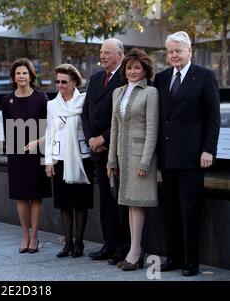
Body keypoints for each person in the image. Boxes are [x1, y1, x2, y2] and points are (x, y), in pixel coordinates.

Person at [154, 31, 220, 276]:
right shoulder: (160, 79)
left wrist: (208, 150)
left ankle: (191, 262)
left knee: (190, 210)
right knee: (169, 209)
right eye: (170, 51)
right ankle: (173, 257)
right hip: (168, 155)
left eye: (178, 51)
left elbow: (213, 118)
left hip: (193, 156)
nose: (174, 55)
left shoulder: (204, 76)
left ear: (189, 51)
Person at [107, 48, 159, 271]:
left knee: (137, 204)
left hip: (139, 158)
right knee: (129, 203)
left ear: (145, 70)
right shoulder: (117, 92)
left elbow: (152, 129)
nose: (133, 71)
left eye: (137, 67)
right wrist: (111, 160)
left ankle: (135, 251)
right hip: (122, 156)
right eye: (129, 67)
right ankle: (134, 249)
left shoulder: (151, 93)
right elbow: (114, 127)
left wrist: (146, 161)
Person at [81, 38, 130, 264]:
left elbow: (125, 114)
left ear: (120, 55)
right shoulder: (96, 78)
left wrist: (104, 137)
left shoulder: (127, 76)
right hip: (98, 151)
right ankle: (108, 244)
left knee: (120, 201)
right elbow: (86, 113)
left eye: (107, 53)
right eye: (101, 52)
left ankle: (123, 247)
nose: (102, 56)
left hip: (118, 150)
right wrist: (91, 138)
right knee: (105, 202)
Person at [2, 58, 51, 254]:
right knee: (21, 197)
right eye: (18, 73)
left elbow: (49, 127)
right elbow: (6, 127)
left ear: (31, 76)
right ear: (14, 77)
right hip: (17, 154)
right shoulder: (7, 100)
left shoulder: (41, 97)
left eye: (25, 73)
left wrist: (38, 144)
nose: (21, 76)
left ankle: (35, 236)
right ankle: (24, 236)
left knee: (36, 197)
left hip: (36, 152)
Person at [45, 64, 94, 258]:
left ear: (74, 82)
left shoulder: (84, 101)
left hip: (82, 158)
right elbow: (49, 133)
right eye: (57, 81)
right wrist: (48, 161)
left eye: (64, 82)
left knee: (80, 203)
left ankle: (79, 242)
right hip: (60, 159)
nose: (59, 85)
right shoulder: (51, 105)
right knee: (64, 204)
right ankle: (67, 242)